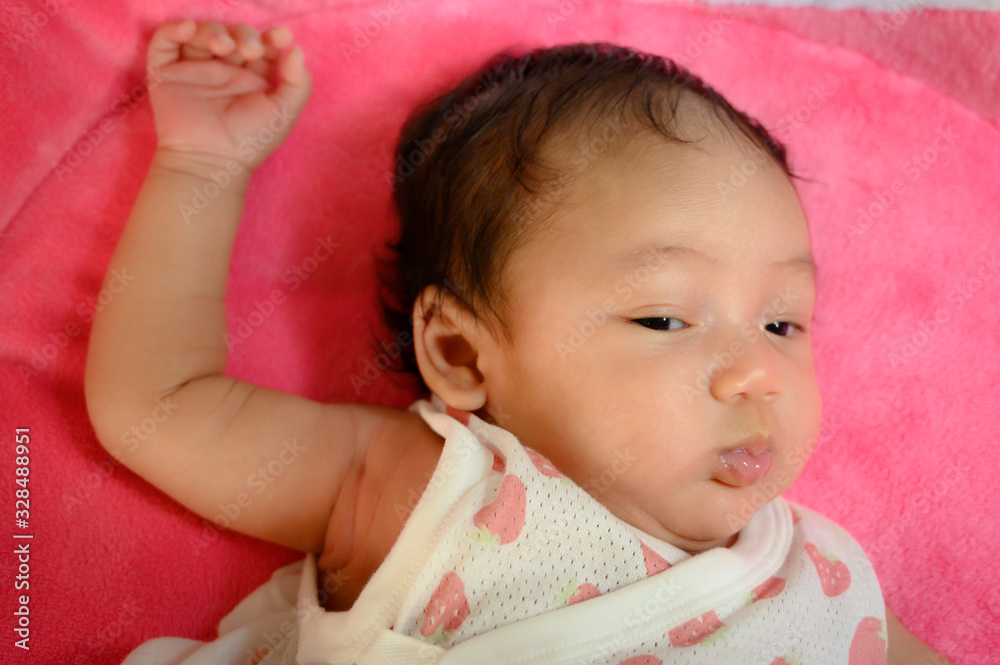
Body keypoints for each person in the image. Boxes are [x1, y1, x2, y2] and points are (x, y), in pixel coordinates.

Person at [85, 19, 954, 665]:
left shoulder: (825, 578)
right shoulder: (429, 488)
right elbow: (157, 405)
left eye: (782, 322)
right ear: (463, 355)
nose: (759, 372)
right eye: (664, 318)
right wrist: (201, 170)